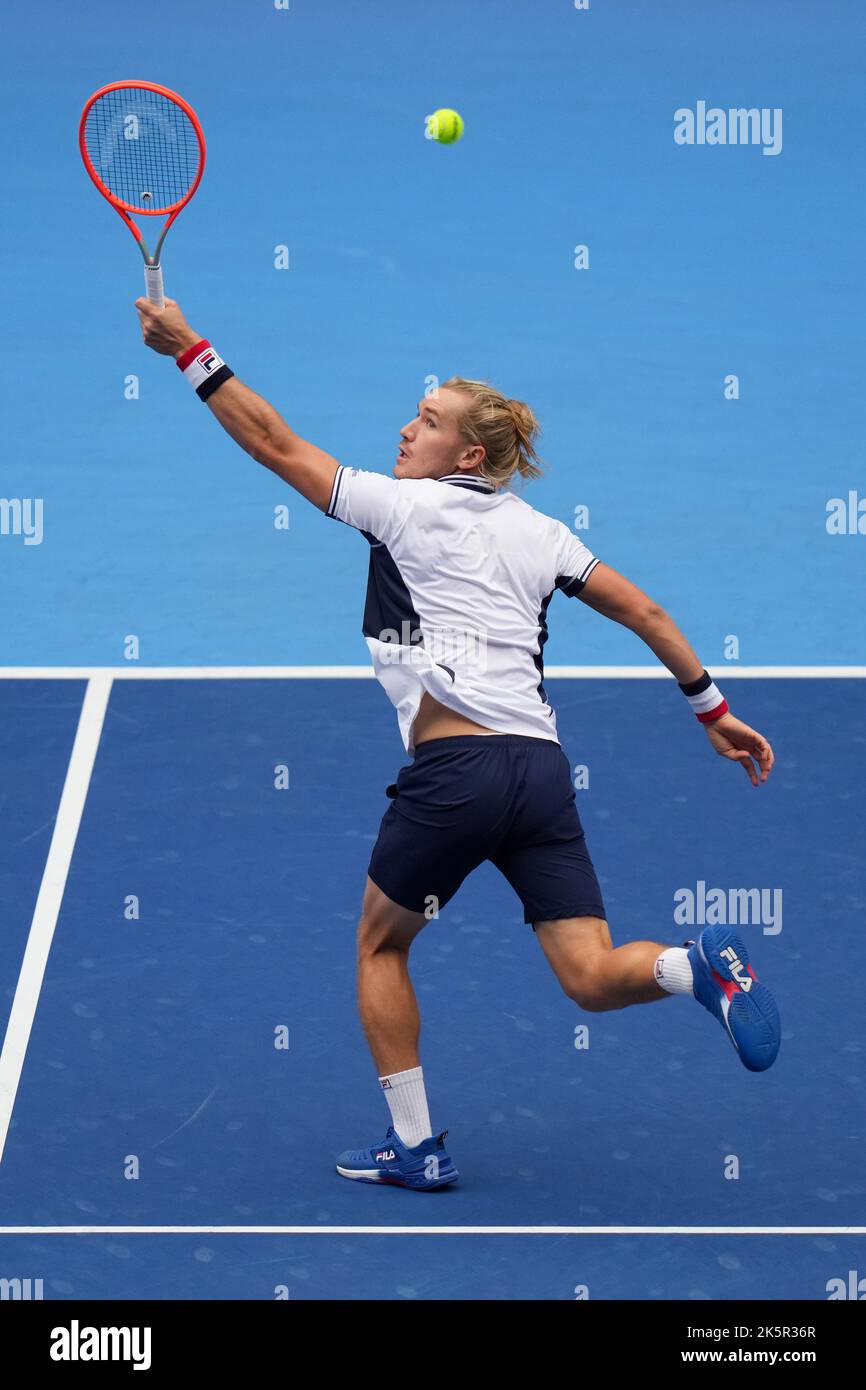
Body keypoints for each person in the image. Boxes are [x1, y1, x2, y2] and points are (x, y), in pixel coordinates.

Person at [136, 298, 781, 1192]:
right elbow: (646, 611)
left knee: (379, 945)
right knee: (591, 975)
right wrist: (712, 711)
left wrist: (189, 352)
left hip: (457, 774)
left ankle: (417, 1146)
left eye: (429, 421)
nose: (407, 428)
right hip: (541, 775)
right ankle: (695, 968)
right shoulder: (545, 532)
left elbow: (276, 445)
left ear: (468, 455)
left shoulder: (399, 509)